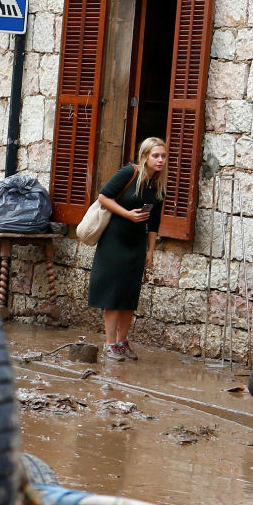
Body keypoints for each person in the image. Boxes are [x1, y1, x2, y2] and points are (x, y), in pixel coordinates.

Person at [85, 136, 166, 361]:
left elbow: (154, 223)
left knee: (129, 296)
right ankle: (110, 344)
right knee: (113, 294)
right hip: (114, 242)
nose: (160, 160)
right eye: (156, 156)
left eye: (163, 156)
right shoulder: (129, 174)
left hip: (136, 245)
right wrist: (127, 214)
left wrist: (150, 251)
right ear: (145, 156)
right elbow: (103, 196)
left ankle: (122, 342)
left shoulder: (157, 185)